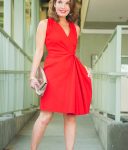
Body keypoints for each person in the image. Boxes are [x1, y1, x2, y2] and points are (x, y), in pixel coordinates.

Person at [29, 0, 92, 149]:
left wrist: (84, 68)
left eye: (67, 3)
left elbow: (71, 54)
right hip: (53, 73)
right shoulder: (44, 24)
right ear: (54, 5)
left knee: (70, 116)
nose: (63, 6)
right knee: (45, 116)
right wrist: (32, 75)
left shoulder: (76, 28)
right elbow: (39, 51)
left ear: (71, 7)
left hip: (71, 74)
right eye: (60, 2)